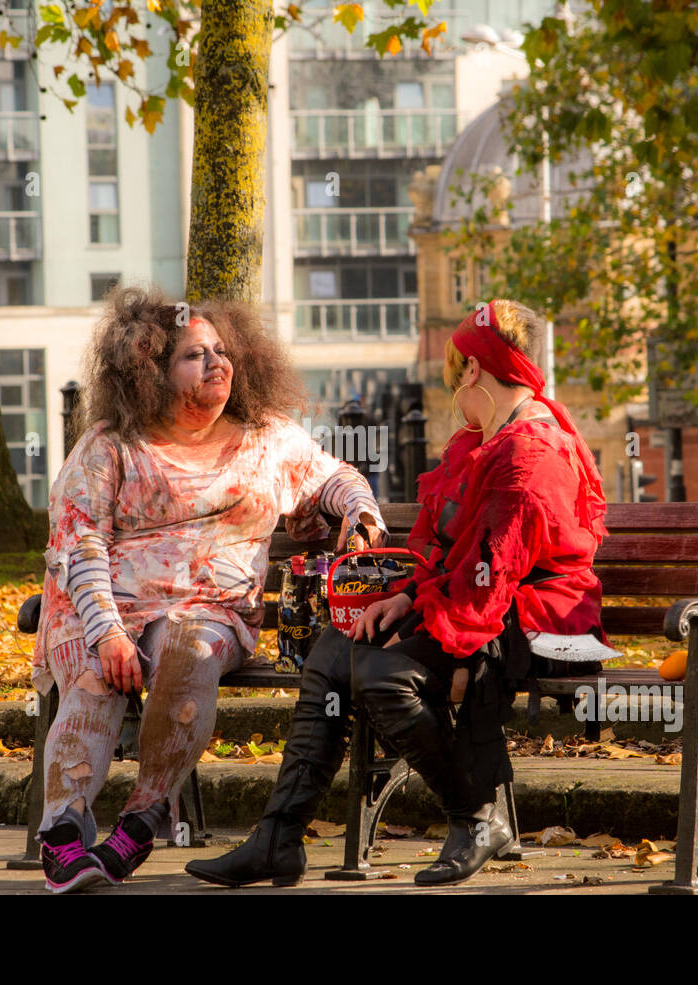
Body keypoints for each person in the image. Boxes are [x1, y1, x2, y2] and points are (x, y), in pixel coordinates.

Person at [186, 299, 609, 889]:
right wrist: (407, 599)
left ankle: (474, 818)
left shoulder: (529, 455)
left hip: (535, 620)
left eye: (455, 371)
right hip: (477, 598)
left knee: (383, 673)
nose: (451, 386)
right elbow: (448, 558)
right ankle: (278, 839)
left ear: (473, 371)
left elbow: (491, 574)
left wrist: (443, 634)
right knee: (333, 653)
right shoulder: (482, 440)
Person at [31, 286, 387, 893]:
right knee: (96, 674)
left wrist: (361, 516)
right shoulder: (109, 446)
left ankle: (139, 825)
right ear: (151, 370)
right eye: (195, 355)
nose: (217, 362)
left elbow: (338, 478)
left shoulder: (266, 438)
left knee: (189, 647)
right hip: (102, 607)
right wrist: (109, 631)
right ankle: (62, 838)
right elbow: (78, 543)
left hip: (213, 611)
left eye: (223, 351)